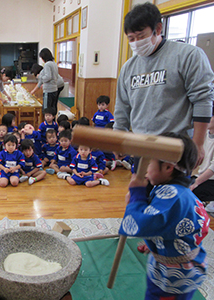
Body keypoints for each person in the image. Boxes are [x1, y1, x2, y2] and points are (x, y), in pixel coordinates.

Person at [114, 2, 214, 166]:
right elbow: (122, 107)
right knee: (140, 190)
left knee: (173, 191)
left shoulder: (188, 55)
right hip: (142, 145)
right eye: (131, 39)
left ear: (158, 29)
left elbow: (203, 100)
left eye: (141, 36)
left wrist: (198, 143)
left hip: (176, 146)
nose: (136, 42)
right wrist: (119, 139)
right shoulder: (128, 68)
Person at [119, 132, 210, 300]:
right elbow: (170, 224)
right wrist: (157, 239)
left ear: (168, 167)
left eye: (149, 162)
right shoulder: (175, 190)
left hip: (174, 275)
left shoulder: (173, 197)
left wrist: (137, 195)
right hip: (177, 262)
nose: (145, 168)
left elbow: (142, 224)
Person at [191, 115, 214, 211]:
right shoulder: (203, 136)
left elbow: (213, 168)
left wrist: (196, 183)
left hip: (211, 181)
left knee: (193, 192)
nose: (208, 119)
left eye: (211, 116)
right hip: (200, 176)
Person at [30, 49, 58, 116]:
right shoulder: (54, 63)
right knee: (52, 109)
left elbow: (48, 77)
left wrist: (39, 77)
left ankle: (46, 125)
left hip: (48, 90)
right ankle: (52, 124)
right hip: (54, 89)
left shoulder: (47, 64)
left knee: (46, 110)